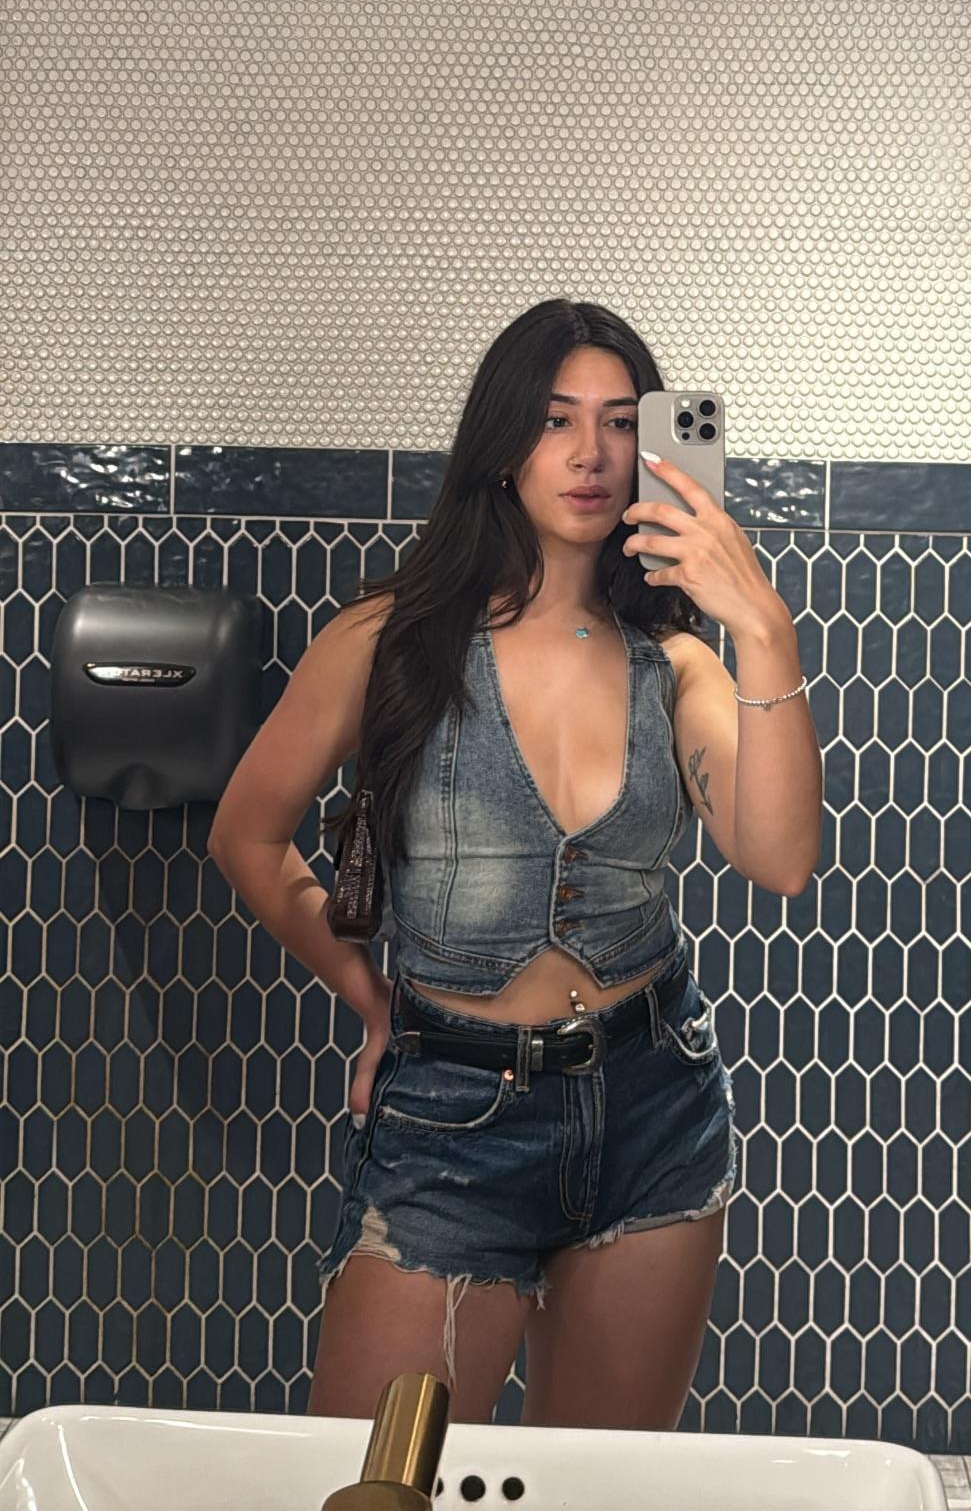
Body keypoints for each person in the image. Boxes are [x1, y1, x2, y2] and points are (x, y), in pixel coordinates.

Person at [207, 299, 822, 1428]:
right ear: (502, 443)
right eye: (553, 419)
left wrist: (762, 629)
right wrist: (370, 997)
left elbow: (780, 859)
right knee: (381, 1484)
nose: (591, 453)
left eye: (620, 421)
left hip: (653, 1110)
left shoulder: (676, 664)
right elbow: (247, 833)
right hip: (450, 1118)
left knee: (600, 1493)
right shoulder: (390, 638)